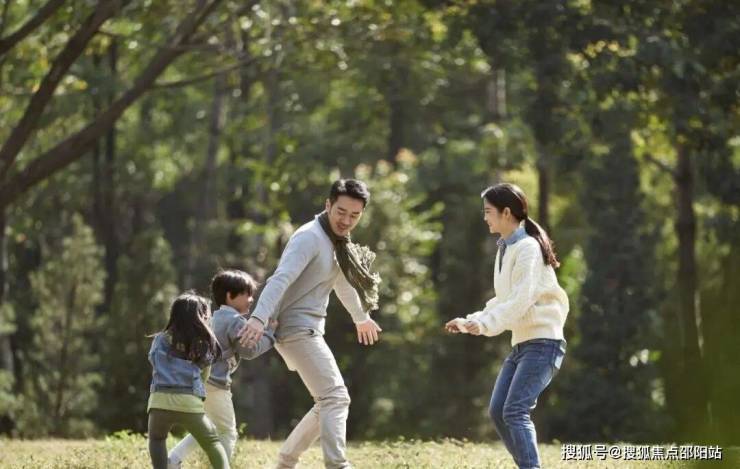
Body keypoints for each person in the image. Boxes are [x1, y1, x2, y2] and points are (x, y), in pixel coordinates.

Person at [239, 178, 383, 469]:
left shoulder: (338, 243)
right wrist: (258, 318)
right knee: (335, 398)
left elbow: (343, 284)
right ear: (328, 205)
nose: (346, 221)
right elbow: (280, 279)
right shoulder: (309, 237)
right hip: (295, 329)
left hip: (309, 328)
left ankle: (285, 462)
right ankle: (337, 465)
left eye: (354, 215)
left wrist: (361, 318)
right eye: (341, 212)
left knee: (327, 401)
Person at [445, 183, 569, 469]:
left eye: (488, 211)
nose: (485, 217)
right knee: (498, 411)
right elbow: (504, 301)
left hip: (544, 343)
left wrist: (484, 324)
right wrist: (471, 322)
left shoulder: (528, 248)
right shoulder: (507, 248)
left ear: (506, 213)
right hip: (523, 344)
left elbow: (520, 300)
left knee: (514, 411)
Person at [168, 270, 276, 468]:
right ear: (230, 296)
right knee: (227, 431)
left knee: (208, 428)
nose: (251, 299)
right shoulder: (234, 320)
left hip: (199, 383)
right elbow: (249, 351)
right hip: (216, 385)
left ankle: (172, 460)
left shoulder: (212, 318)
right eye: (247, 294)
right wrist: (270, 334)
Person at [147, 292, 229, 469]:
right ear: (201, 317)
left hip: (159, 401)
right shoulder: (202, 343)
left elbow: (153, 360)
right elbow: (205, 374)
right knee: (212, 442)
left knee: (157, 439)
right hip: (189, 402)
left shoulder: (160, 339)